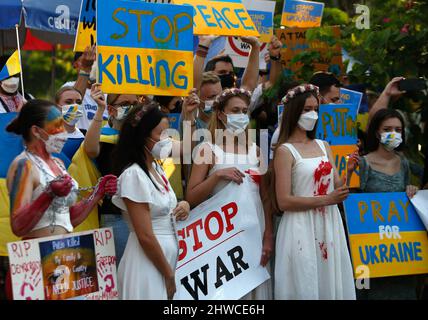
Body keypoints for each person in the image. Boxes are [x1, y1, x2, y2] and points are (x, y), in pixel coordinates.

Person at [4, 99, 117, 299]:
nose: (64, 131)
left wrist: (97, 193)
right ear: (37, 131)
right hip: (35, 262)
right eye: (56, 126)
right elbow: (18, 225)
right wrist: (48, 195)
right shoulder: (23, 165)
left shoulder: (57, 163)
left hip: (65, 258)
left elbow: (69, 218)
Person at [269, 84, 355, 300]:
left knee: (328, 282)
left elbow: (337, 186)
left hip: (329, 225)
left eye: (316, 109)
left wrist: (350, 171)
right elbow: (284, 201)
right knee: (305, 283)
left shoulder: (324, 145)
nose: (312, 114)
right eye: (307, 109)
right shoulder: (284, 150)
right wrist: (327, 199)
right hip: (300, 227)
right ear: (294, 111)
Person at [185, 88, 273, 300]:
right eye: (235, 110)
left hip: (255, 229)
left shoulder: (256, 150)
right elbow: (191, 197)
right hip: (222, 234)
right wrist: (216, 177)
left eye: (244, 111)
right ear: (222, 114)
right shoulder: (209, 149)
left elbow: (266, 197)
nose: (241, 116)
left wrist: (268, 234)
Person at [112, 102, 190, 299]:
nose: (166, 141)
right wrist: (168, 274)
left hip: (163, 263)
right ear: (142, 136)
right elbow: (145, 235)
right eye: (160, 134)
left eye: (167, 134)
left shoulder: (158, 169)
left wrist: (183, 205)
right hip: (146, 265)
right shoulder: (133, 175)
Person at [347, 108, 421, 300]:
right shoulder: (362, 164)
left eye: (398, 129)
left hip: (399, 253)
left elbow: (406, 198)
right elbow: (350, 202)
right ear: (377, 132)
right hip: (370, 254)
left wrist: (411, 191)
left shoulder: (403, 163)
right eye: (388, 129)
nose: (394, 133)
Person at [83, 85, 138, 263]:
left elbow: (179, 150)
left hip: (146, 215)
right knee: (120, 277)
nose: (131, 107)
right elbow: (90, 149)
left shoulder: (145, 138)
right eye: (125, 103)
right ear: (111, 109)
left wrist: (188, 114)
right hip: (116, 218)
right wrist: (99, 110)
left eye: (135, 103)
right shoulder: (103, 137)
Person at [63, 46, 107, 132]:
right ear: (75, 64)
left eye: (95, 60)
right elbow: (71, 115)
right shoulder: (68, 88)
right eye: (85, 60)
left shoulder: (108, 93)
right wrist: (85, 69)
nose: (92, 64)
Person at [194, 36, 260, 92]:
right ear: (208, 74)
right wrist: (203, 44)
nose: (228, 76)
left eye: (231, 73)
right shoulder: (199, 101)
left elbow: (248, 86)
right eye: (222, 72)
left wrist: (255, 45)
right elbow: (194, 87)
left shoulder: (237, 99)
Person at [54, 86, 84, 161]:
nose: (75, 105)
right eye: (68, 102)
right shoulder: (45, 137)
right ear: (57, 106)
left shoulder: (85, 137)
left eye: (78, 102)